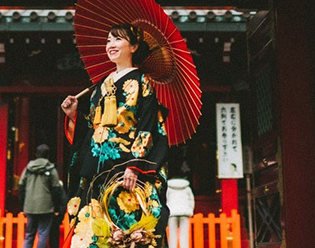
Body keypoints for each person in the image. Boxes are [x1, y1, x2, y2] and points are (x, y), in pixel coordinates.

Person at [61, 23, 169, 248]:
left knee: (124, 234)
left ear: (134, 46)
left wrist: (135, 165)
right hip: (95, 170)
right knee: (92, 232)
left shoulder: (142, 82)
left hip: (124, 171)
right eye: (109, 40)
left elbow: (148, 126)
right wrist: (74, 116)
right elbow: (92, 127)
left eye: (118, 39)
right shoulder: (100, 85)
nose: (111, 44)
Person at [18, 143, 65, 248]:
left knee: (29, 235)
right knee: (42, 234)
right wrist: (57, 208)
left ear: (36, 154)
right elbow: (56, 189)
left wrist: (22, 206)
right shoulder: (51, 170)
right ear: (48, 155)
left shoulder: (28, 169)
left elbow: (21, 187)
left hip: (30, 206)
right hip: (46, 207)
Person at [165, 161, 194, 248]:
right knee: (184, 235)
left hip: (172, 213)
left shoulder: (169, 188)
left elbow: (166, 200)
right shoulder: (187, 188)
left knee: (172, 235)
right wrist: (190, 210)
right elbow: (191, 200)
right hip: (184, 212)